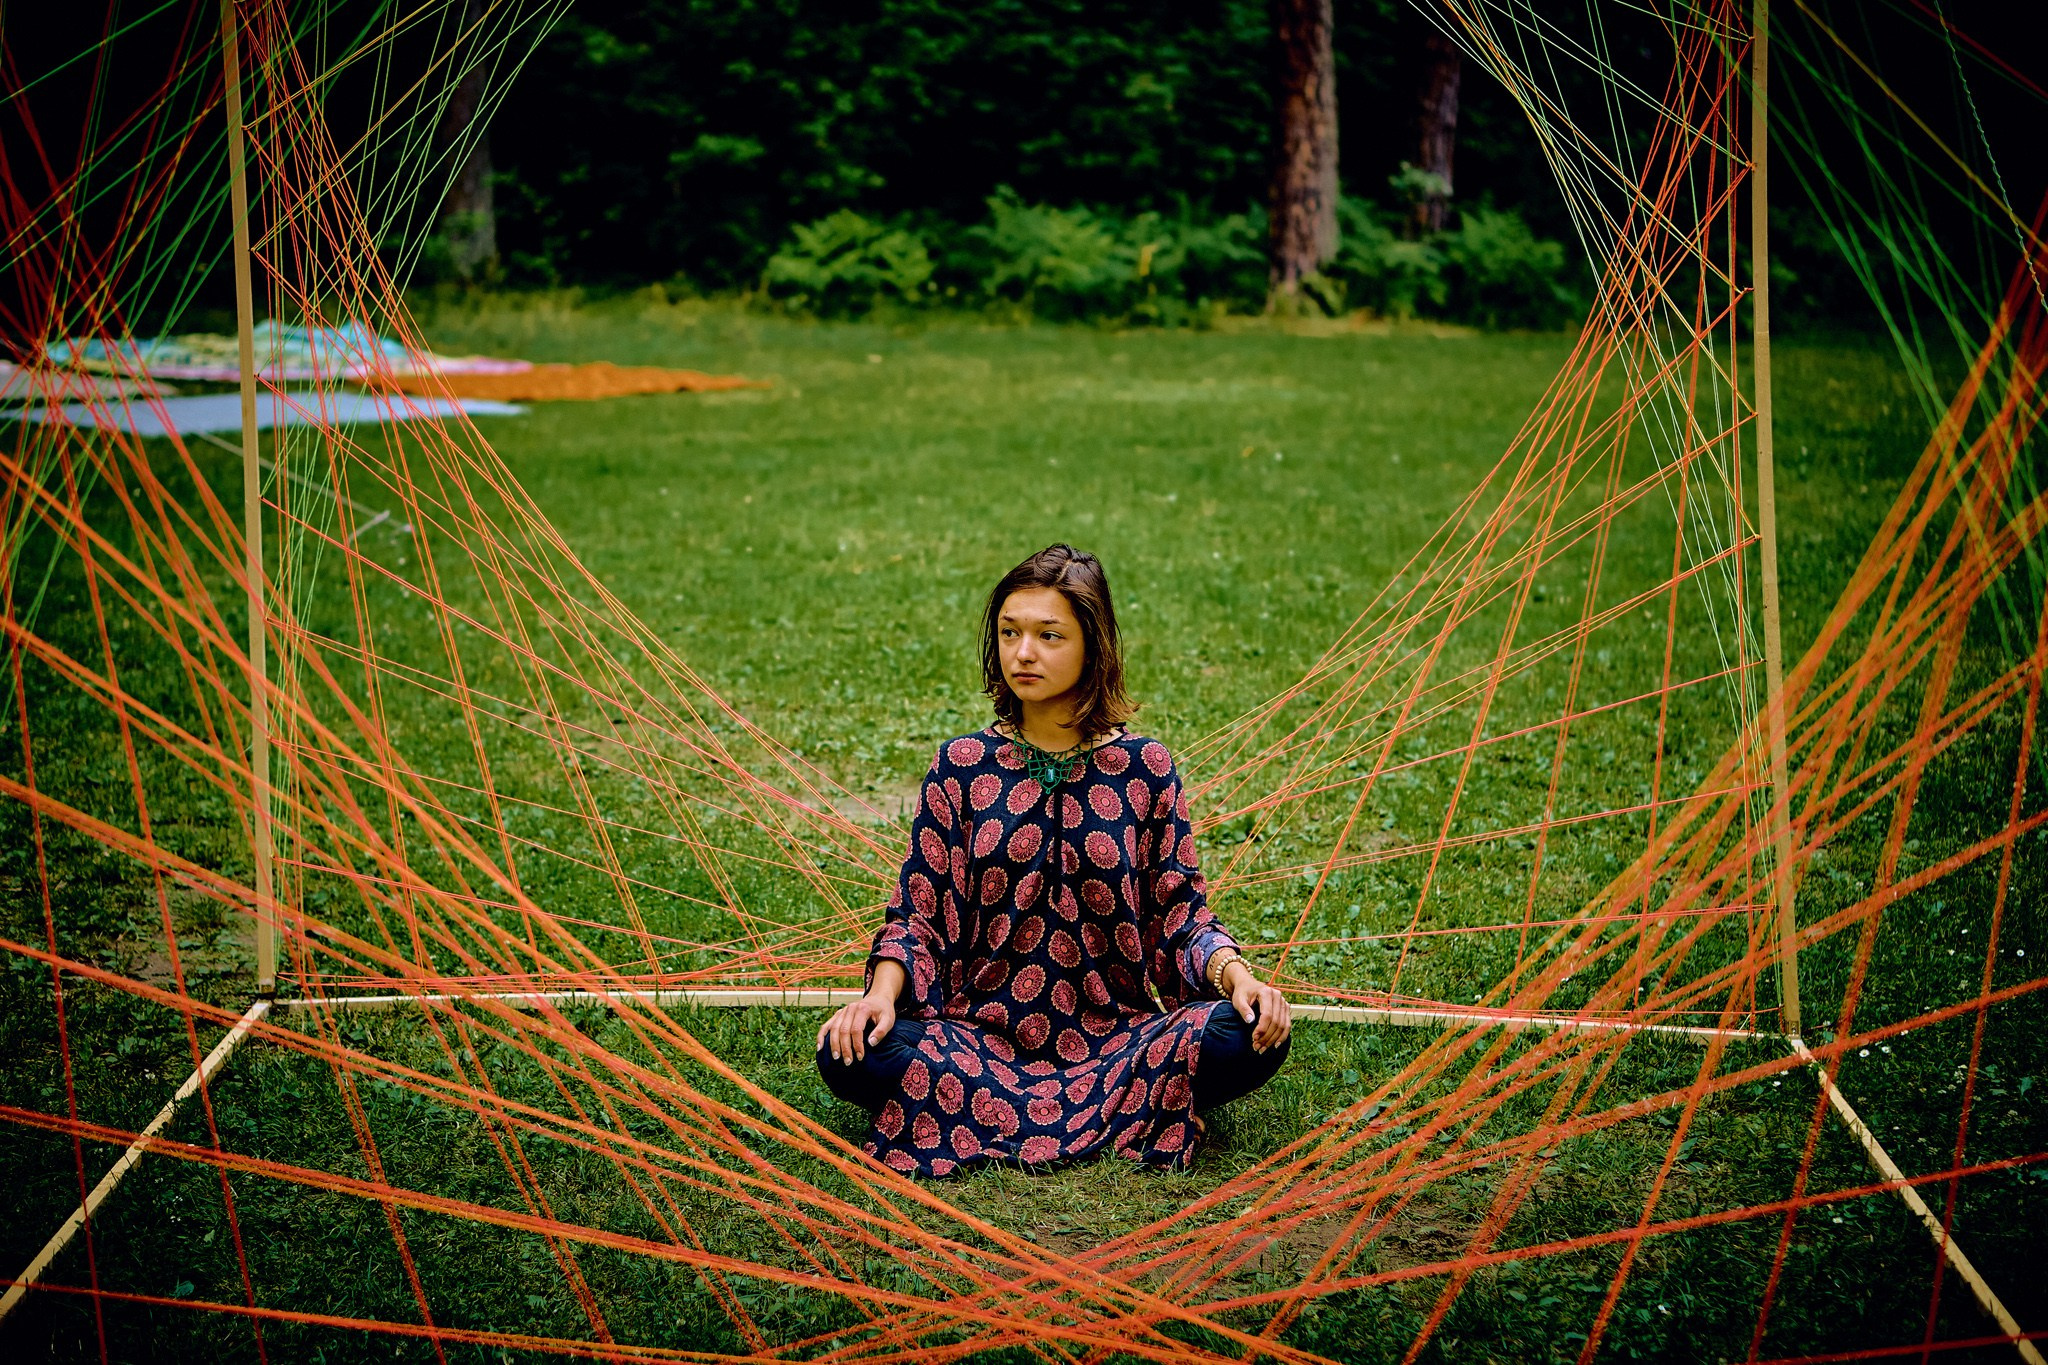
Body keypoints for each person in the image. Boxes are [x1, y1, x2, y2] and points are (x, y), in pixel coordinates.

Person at [815, 544, 1291, 1176]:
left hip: (1120, 1042)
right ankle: (1140, 1110)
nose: (1023, 653)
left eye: (1049, 635)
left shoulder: (1145, 769)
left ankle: (1001, 1113)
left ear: (1093, 646)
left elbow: (1180, 912)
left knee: (1245, 1033)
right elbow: (917, 913)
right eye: (1009, 632)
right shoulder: (961, 766)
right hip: (975, 1041)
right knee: (849, 1050)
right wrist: (878, 997)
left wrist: (1240, 980)